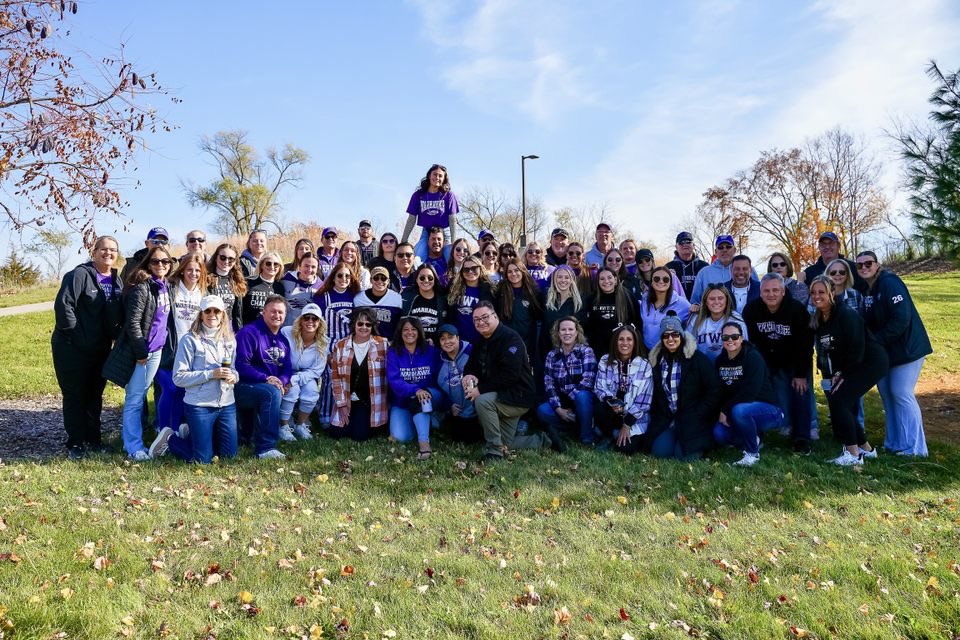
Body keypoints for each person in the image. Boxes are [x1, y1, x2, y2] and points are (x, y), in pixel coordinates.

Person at [52, 235, 124, 459]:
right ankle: (75, 443)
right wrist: (77, 337)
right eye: (103, 249)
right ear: (94, 252)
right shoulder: (79, 275)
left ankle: (93, 440)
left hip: (100, 349)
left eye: (113, 250)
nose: (108, 253)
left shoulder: (115, 279)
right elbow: (64, 306)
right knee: (75, 395)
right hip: (71, 348)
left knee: (95, 395)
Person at [147, 295, 239, 464]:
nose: (212, 314)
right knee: (202, 460)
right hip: (199, 405)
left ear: (223, 315)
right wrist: (211, 374)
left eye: (217, 311)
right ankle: (169, 439)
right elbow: (178, 378)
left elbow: (233, 369)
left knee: (229, 457)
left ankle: (191, 434)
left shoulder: (230, 340)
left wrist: (234, 376)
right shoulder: (189, 340)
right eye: (208, 311)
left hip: (226, 404)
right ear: (201, 315)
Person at [857, 252, 932, 457]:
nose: (864, 267)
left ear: (877, 264)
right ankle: (895, 444)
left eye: (868, 263)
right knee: (888, 396)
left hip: (908, 349)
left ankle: (916, 448)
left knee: (901, 392)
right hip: (887, 352)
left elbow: (902, 318)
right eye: (860, 265)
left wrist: (876, 341)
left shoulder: (890, 282)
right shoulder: (866, 288)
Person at [102, 245, 173, 460]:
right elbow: (132, 323)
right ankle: (133, 446)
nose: (160, 265)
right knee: (135, 399)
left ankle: (135, 441)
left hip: (156, 351)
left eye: (165, 262)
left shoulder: (164, 286)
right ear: (147, 264)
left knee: (141, 394)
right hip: (141, 353)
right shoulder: (142, 287)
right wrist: (141, 353)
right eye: (156, 262)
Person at [809, 275, 888, 465]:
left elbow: (856, 347)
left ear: (832, 293)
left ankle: (853, 454)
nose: (816, 296)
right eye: (813, 292)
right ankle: (867, 450)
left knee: (839, 400)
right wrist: (834, 372)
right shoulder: (820, 318)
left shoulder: (845, 314)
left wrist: (841, 373)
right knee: (840, 399)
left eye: (821, 292)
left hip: (869, 361)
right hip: (850, 364)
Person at [462, 302, 554, 460]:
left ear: (495, 316)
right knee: (504, 441)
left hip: (518, 396)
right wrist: (469, 375)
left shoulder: (511, 338)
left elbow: (510, 375)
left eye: (485, 317)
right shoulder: (480, 340)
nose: (481, 322)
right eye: (476, 319)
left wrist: (480, 390)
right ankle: (544, 439)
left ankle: (494, 452)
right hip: (500, 393)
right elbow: (471, 366)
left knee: (482, 401)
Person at [742, 273, 814, 454]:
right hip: (765, 360)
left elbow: (804, 345)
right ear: (760, 292)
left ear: (783, 291)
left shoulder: (797, 310)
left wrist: (800, 374)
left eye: (775, 290)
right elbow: (750, 344)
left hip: (794, 359)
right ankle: (758, 435)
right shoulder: (751, 310)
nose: (771, 294)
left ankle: (801, 438)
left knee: (800, 391)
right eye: (766, 290)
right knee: (755, 390)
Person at [646, 316, 720, 460]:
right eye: (666, 335)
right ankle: (672, 435)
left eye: (675, 334)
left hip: (693, 418)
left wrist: (700, 412)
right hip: (668, 419)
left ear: (682, 336)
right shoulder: (656, 361)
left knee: (685, 457)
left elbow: (714, 389)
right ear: (661, 339)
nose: (671, 339)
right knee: (660, 452)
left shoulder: (697, 358)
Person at [712, 321, 783, 467]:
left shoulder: (752, 357)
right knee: (719, 434)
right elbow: (720, 390)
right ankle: (754, 438)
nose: (730, 340)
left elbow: (750, 393)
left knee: (740, 411)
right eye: (726, 337)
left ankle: (752, 453)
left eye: (734, 336)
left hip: (769, 410)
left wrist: (725, 410)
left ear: (741, 338)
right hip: (738, 408)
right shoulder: (720, 360)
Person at [234, 294, 291, 459]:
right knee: (271, 393)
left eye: (280, 312)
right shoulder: (249, 332)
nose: (277, 316)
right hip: (243, 387)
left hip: (267, 386)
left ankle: (252, 435)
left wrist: (283, 381)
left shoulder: (283, 340)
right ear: (263, 312)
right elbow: (241, 365)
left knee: (273, 391)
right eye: (272, 311)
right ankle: (266, 448)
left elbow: (287, 367)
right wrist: (266, 378)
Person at [155, 254, 206, 433]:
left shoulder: (203, 292)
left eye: (198, 270)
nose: (193, 273)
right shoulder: (171, 288)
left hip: (190, 350)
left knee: (181, 391)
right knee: (169, 388)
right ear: (182, 269)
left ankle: (175, 430)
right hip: (167, 349)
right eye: (190, 269)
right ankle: (162, 429)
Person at [329, 307, 390, 441]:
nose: (364, 327)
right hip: (348, 398)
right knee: (336, 432)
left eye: (368, 324)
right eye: (360, 323)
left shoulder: (383, 344)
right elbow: (335, 377)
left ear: (373, 326)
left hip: (371, 400)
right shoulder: (340, 345)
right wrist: (341, 404)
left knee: (359, 436)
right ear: (354, 324)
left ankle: (373, 423)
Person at [386, 317, 443, 459]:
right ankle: (425, 421)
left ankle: (424, 444)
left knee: (422, 398)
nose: (409, 332)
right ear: (400, 332)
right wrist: (414, 390)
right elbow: (395, 381)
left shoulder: (431, 351)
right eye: (405, 329)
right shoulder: (393, 353)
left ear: (419, 332)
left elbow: (441, 376)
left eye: (413, 329)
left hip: (430, 396)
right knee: (401, 437)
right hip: (403, 401)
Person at [593, 323, 654, 454]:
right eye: (621, 339)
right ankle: (608, 435)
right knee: (600, 408)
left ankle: (615, 435)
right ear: (615, 341)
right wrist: (611, 401)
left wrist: (627, 424)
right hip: (612, 413)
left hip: (633, 417)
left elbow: (645, 401)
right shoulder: (605, 360)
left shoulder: (644, 365)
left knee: (626, 449)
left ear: (635, 342)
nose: (625, 343)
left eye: (629, 339)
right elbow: (599, 387)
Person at [313, 262, 359, 428]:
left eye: (347, 276)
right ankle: (325, 415)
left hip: (349, 342)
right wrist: (323, 350)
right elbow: (316, 326)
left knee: (348, 380)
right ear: (333, 277)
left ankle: (346, 414)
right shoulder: (322, 296)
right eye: (340, 275)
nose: (344, 279)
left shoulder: (356, 297)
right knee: (329, 380)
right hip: (328, 341)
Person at [538, 317, 597, 445]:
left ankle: (587, 437)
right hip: (563, 402)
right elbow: (549, 385)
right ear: (558, 333)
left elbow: (588, 380)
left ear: (576, 333)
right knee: (542, 410)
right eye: (563, 330)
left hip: (581, 400)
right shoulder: (551, 355)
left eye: (571, 329)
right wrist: (559, 408)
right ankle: (574, 428)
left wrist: (572, 399)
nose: (567, 333)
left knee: (582, 396)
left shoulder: (586, 351)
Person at [277, 303, 328, 442]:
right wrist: (288, 378)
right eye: (306, 318)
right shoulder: (287, 332)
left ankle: (300, 424)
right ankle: (283, 426)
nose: (310, 322)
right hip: (285, 370)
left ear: (320, 322)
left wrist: (295, 379)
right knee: (292, 391)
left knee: (312, 392)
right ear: (301, 320)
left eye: (314, 319)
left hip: (307, 374)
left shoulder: (324, 342)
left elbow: (316, 371)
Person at [402, 164, 459, 262]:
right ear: (429, 176)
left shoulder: (448, 195)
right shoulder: (418, 195)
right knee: (418, 257)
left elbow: (453, 219)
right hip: (427, 231)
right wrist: (404, 240)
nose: (437, 178)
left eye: (440, 176)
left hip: (444, 232)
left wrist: (454, 242)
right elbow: (411, 219)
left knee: (450, 257)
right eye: (435, 174)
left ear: (444, 179)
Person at [435, 324, 480, 441]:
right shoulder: (438, 361)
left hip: (477, 410)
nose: (447, 341)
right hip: (457, 412)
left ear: (458, 338)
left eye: (450, 337)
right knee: (459, 438)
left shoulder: (472, 351)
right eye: (443, 339)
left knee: (477, 437)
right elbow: (438, 388)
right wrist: (449, 405)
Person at [690, 235, 758, 311]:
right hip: (716, 320)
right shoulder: (704, 273)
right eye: (720, 247)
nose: (724, 250)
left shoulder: (748, 270)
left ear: (735, 250)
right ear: (715, 252)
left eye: (728, 247)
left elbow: (758, 292)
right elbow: (695, 302)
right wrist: (695, 305)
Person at [494, 259, 542, 363]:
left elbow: (537, 315)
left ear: (522, 271)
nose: (513, 274)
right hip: (506, 340)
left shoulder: (533, 291)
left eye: (517, 270)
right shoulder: (500, 291)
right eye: (509, 271)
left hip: (528, 342)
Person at [686, 285, 748, 362]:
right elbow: (687, 348)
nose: (716, 302)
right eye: (712, 299)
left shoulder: (736, 320)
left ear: (727, 300)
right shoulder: (696, 319)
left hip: (729, 366)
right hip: (702, 366)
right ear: (706, 302)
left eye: (720, 298)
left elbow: (744, 349)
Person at [585, 268, 637, 356]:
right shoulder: (591, 299)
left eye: (609, 277)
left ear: (615, 279)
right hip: (598, 349)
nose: (606, 281)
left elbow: (636, 321)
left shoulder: (627, 296)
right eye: (602, 279)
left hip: (622, 348)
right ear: (597, 282)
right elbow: (587, 325)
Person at [540, 265, 588, 361]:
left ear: (572, 280)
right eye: (559, 277)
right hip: (547, 348)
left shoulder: (580, 301)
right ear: (554, 279)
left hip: (571, 351)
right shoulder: (545, 296)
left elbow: (582, 328)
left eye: (567, 277)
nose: (563, 280)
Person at [446, 255, 495, 344]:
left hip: (483, 341)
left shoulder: (490, 290)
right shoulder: (453, 288)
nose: (470, 271)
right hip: (459, 342)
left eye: (474, 268)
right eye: (466, 269)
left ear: (480, 269)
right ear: (461, 272)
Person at [639, 266, 691, 350]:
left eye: (666, 279)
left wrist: (696, 307)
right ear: (651, 282)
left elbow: (693, 323)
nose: (661, 281)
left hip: (669, 352)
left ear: (671, 282)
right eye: (656, 279)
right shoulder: (645, 300)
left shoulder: (682, 303)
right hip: (646, 351)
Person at [802, 231, 867, 293]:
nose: (827, 247)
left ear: (838, 246)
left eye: (831, 243)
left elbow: (864, 290)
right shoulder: (809, 273)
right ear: (819, 247)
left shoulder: (853, 268)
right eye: (823, 244)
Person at [354, 266, 403, 339]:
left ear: (388, 281)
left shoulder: (396, 298)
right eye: (376, 278)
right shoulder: (359, 298)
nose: (380, 281)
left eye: (383, 278)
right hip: (365, 342)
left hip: (389, 342)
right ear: (371, 280)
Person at [206, 244, 246, 332]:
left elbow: (237, 314)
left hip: (228, 327)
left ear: (235, 261)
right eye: (223, 257)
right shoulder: (206, 279)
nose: (226, 261)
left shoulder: (237, 281)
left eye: (231, 259)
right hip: (210, 325)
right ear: (216, 257)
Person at [241, 251, 285, 326]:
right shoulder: (248, 282)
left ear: (280, 267)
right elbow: (239, 309)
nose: (272, 267)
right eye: (268, 263)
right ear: (261, 265)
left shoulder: (279, 287)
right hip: (249, 330)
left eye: (276, 264)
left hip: (270, 331)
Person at [280, 253, 322, 325]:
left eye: (313, 267)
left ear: (317, 269)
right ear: (299, 266)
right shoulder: (286, 279)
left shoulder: (321, 286)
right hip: (287, 328)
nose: (309, 269)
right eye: (306, 266)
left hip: (308, 331)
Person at [665, 232, 709, 301]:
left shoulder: (704, 266)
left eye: (688, 242)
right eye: (681, 242)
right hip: (678, 309)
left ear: (693, 245)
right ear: (676, 246)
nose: (685, 245)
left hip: (700, 308)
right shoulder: (668, 267)